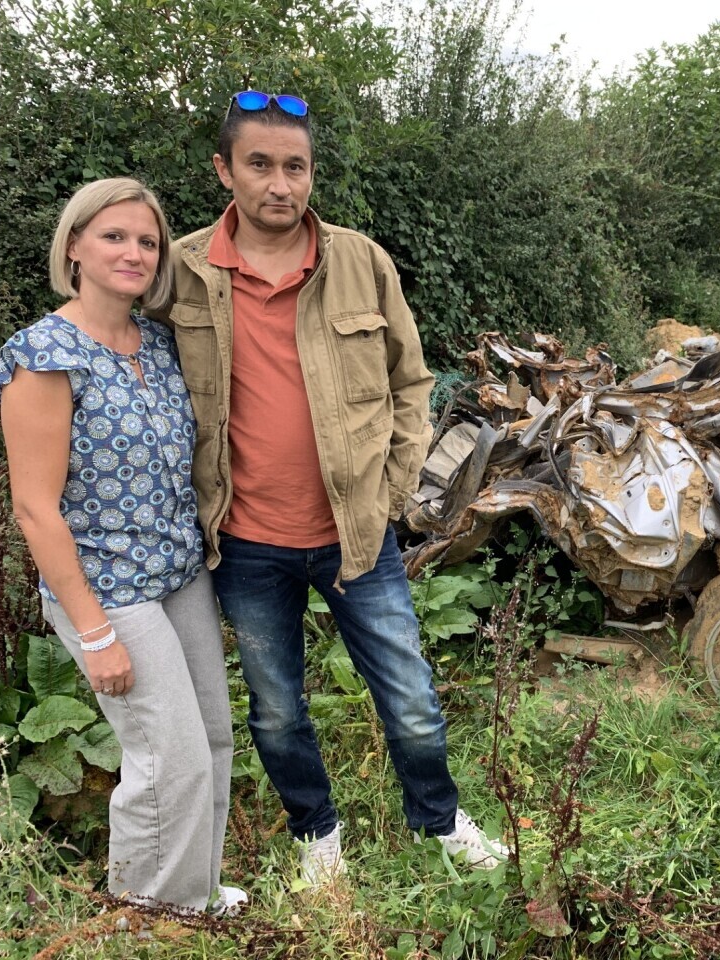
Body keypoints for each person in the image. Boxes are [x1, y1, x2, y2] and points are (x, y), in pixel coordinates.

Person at [156, 91, 507, 886]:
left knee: (410, 696)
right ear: (224, 170)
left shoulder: (360, 261)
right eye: (260, 164)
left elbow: (411, 382)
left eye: (296, 166)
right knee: (278, 708)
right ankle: (316, 835)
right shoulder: (182, 270)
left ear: (312, 172)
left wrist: (392, 492)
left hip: (356, 532)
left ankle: (439, 821)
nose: (280, 184)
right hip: (246, 542)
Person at [0, 178, 244, 914]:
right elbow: (34, 509)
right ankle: (148, 916)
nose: (134, 252)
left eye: (148, 241)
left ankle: (195, 894)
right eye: (114, 236)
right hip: (106, 590)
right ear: (74, 246)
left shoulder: (156, 344)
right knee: (168, 757)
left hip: (178, 575)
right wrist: (95, 634)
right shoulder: (45, 355)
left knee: (212, 740)